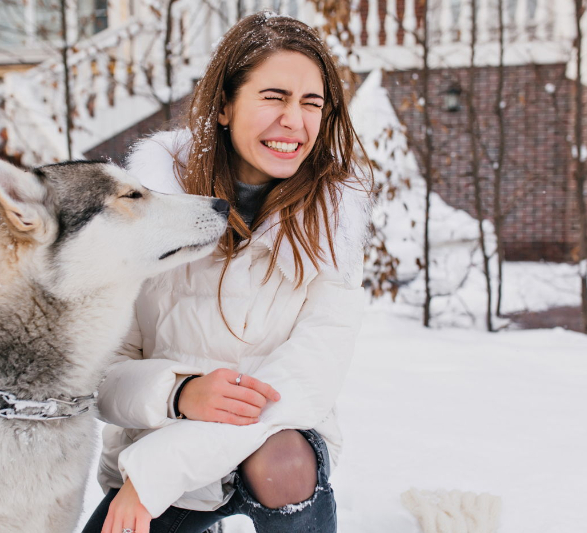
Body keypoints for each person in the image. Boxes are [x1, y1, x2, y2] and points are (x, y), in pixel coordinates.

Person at [82, 11, 372, 533]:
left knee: (282, 459)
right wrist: (180, 392)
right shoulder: (145, 216)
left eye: (312, 103)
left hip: (255, 454)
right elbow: (100, 376)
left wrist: (159, 468)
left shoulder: (334, 227)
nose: (294, 121)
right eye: (273, 97)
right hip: (164, 465)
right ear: (223, 106)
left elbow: (304, 384)